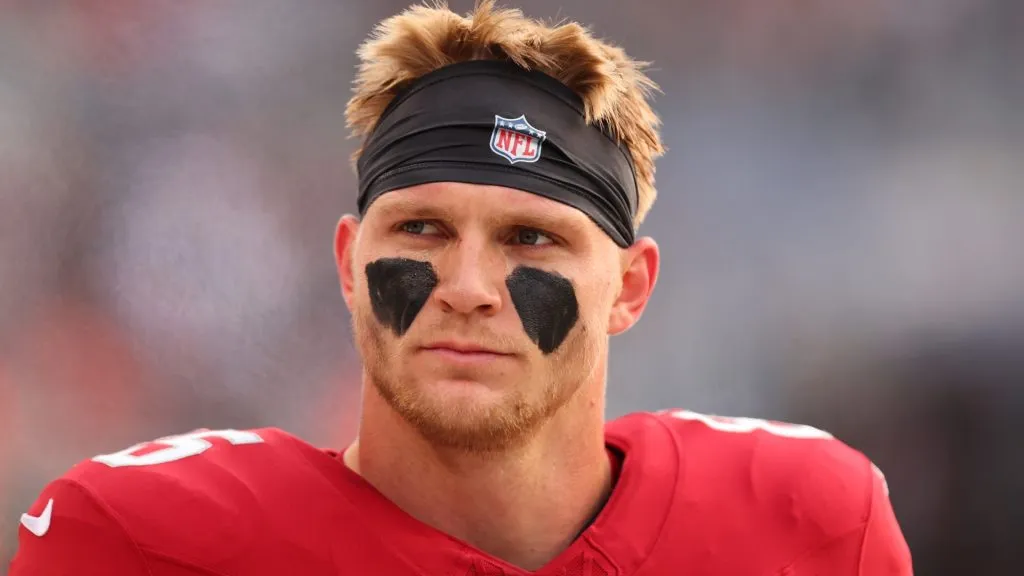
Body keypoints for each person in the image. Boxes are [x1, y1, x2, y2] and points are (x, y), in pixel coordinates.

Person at [9, 2, 913, 574]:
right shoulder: (146, 541)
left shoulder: (805, 521)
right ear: (346, 263)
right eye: (422, 230)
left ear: (630, 289)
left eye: (533, 238)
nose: (469, 286)